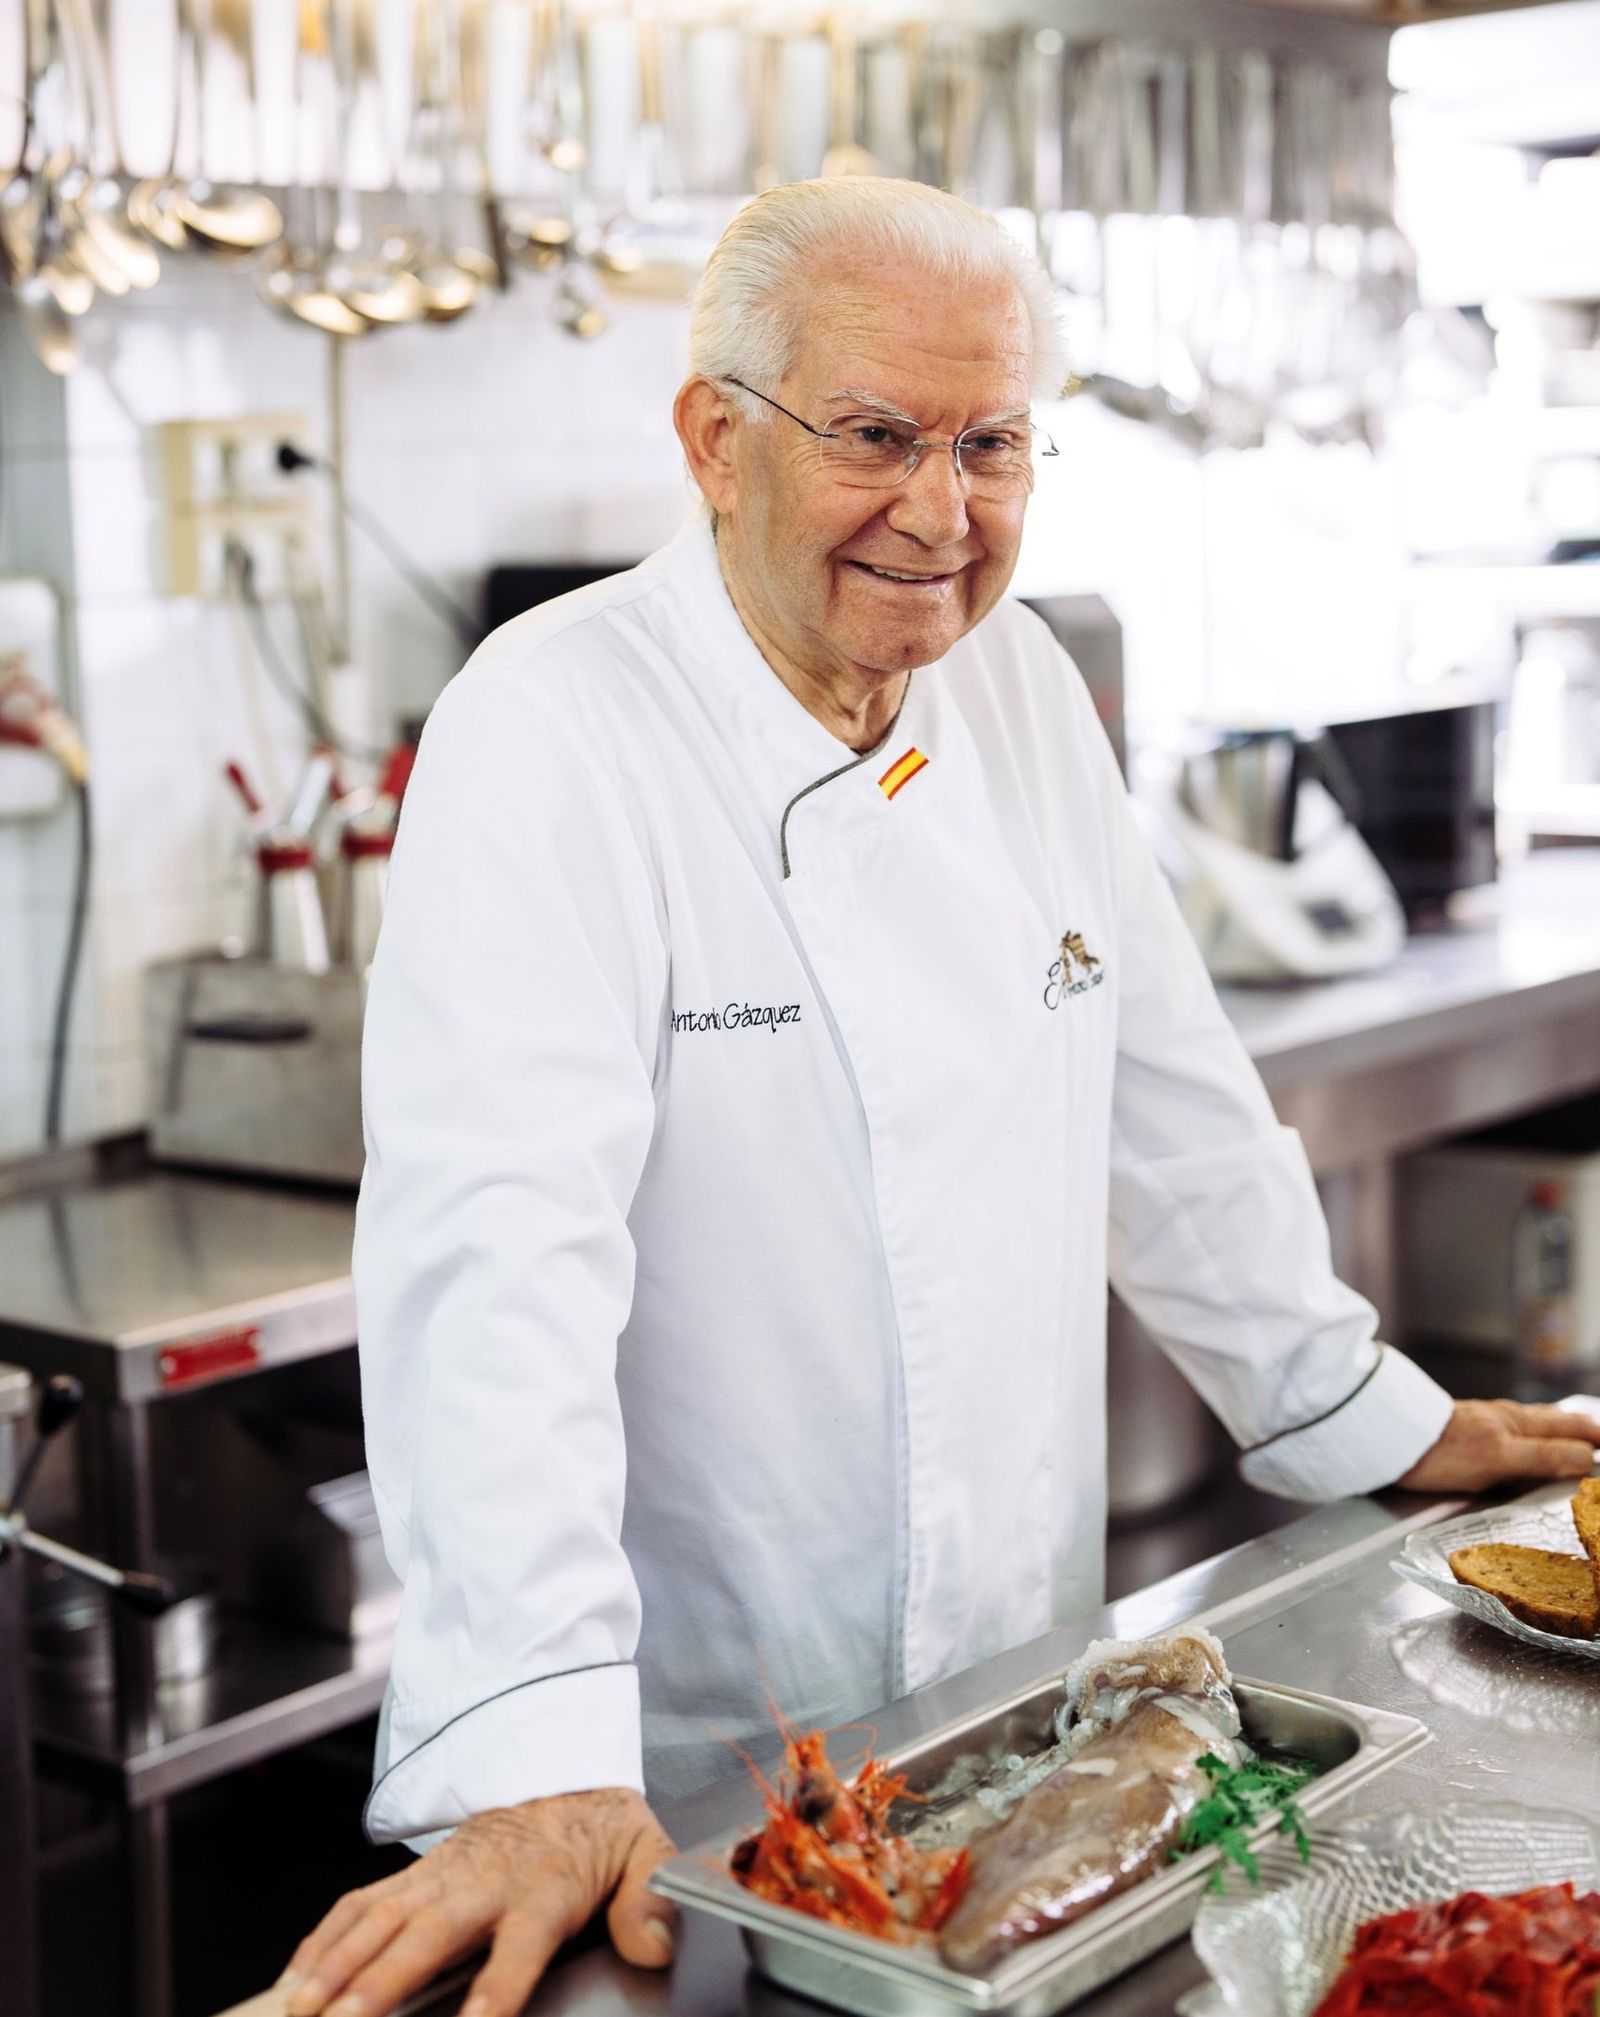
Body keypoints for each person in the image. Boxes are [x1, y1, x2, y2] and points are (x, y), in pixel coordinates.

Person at [283, 179, 1600, 2017]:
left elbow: (1170, 1098)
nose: (942, 511)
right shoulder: (556, 723)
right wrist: (529, 1749)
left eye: (991, 442)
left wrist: (1347, 1399)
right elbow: (497, 1256)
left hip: (1013, 1721)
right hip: (674, 1773)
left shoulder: (1022, 684)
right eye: (877, 436)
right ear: (714, 440)